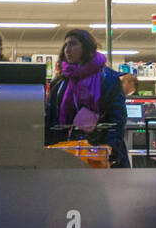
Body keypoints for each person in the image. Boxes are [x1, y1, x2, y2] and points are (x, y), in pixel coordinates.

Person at [44, 28, 129, 168]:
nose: (67, 49)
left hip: (102, 156)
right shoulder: (60, 82)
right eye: (65, 45)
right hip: (68, 155)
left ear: (86, 47)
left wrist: (110, 151)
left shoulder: (108, 79)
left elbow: (117, 119)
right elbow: (51, 119)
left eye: (73, 44)